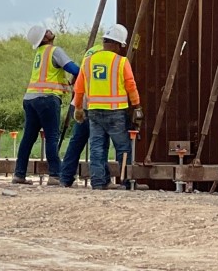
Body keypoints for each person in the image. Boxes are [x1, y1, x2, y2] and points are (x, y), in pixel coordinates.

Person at [73, 23, 142, 190]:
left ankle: (98, 182)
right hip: (116, 112)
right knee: (123, 148)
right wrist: (137, 106)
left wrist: (78, 108)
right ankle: (126, 182)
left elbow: (79, 87)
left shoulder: (88, 61)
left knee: (97, 148)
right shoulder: (121, 62)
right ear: (118, 44)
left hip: (94, 112)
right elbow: (130, 85)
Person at [13, 23, 78, 185]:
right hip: (47, 99)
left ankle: (19, 174)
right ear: (44, 38)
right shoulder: (54, 51)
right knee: (51, 137)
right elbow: (73, 68)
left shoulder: (39, 53)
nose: (50, 31)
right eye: (46, 32)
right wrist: (84, 73)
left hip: (30, 99)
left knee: (28, 137)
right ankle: (55, 174)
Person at [58, 40, 107, 188]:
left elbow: (80, 77)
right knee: (99, 143)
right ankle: (100, 179)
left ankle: (65, 177)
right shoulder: (108, 55)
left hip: (81, 101)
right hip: (97, 103)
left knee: (77, 141)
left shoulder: (91, 51)